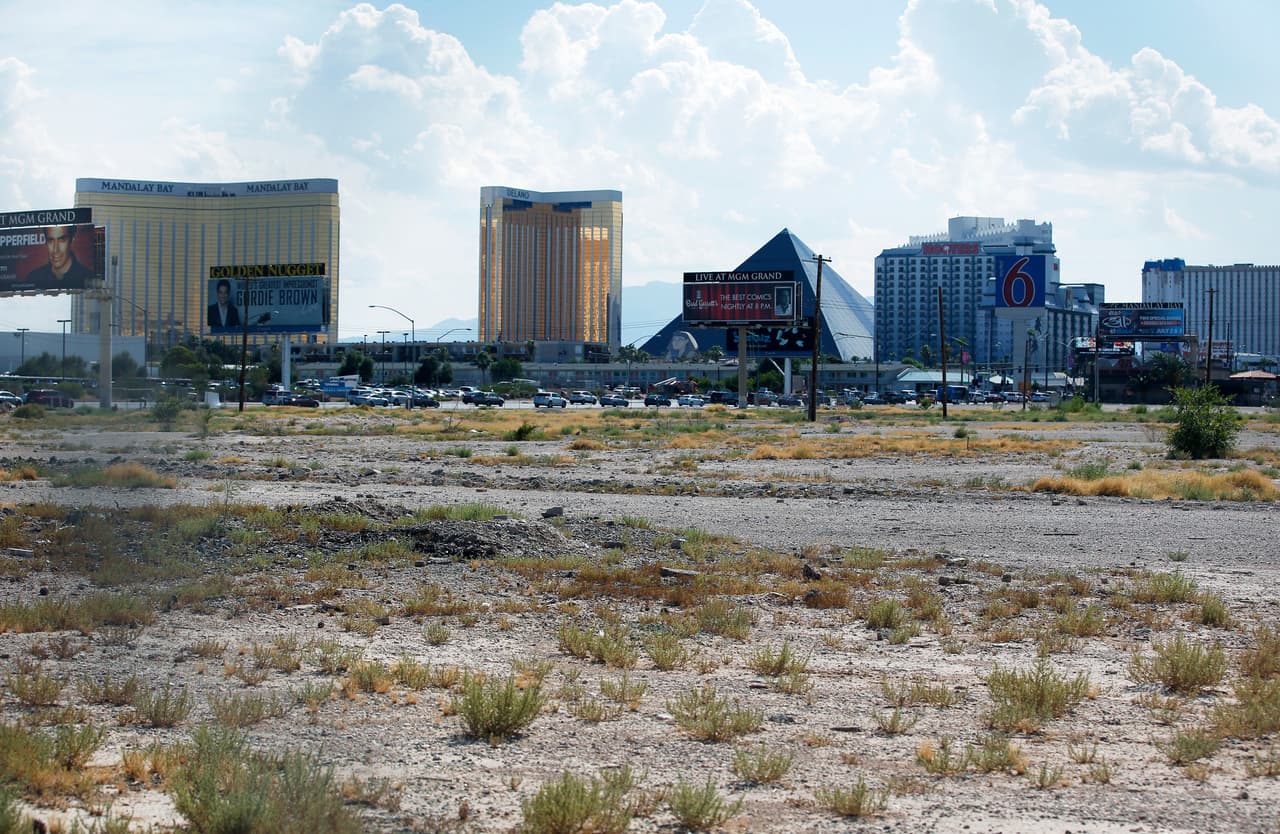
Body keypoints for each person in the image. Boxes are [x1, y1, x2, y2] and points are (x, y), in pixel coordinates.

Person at [27, 225, 95, 285]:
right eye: (50, 240)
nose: (55, 250)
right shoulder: (33, 278)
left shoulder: (88, 277)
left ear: (72, 240)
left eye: (62, 240)